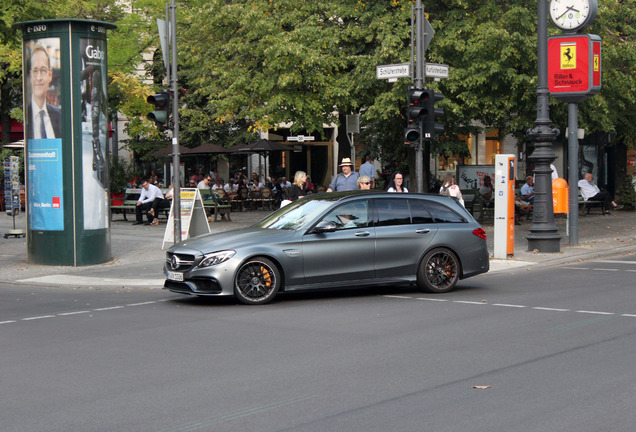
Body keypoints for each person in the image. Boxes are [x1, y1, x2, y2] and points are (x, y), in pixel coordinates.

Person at [27, 44, 61, 140]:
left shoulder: (59, 116)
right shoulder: (26, 115)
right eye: (35, 71)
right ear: (30, 76)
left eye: (43, 71)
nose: (38, 78)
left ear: (50, 75)